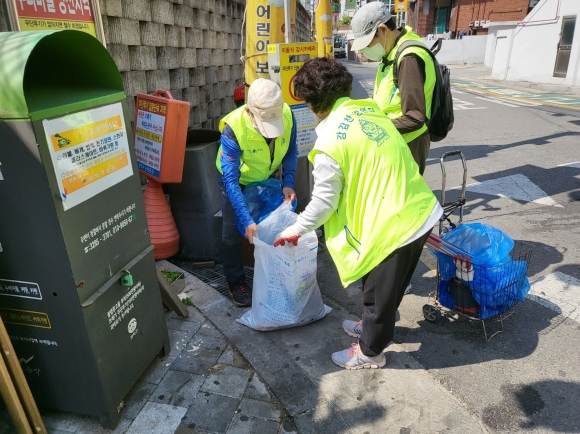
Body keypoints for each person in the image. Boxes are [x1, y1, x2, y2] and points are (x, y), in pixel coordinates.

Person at [275, 58, 443, 370]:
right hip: (418, 209)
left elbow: (324, 201)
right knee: (387, 289)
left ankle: (370, 352)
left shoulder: (329, 141)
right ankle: (372, 327)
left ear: (313, 105)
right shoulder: (369, 111)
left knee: (376, 294)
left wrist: (294, 229)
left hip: (393, 225)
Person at [216, 78, 298, 306]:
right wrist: (245, 217)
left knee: (272, 224)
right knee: (233, 230)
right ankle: (236, 283)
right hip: (236, 181)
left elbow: (291, 152)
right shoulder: (233, 128)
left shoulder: (288, 116)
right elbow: (230, 179)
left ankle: (273, 275)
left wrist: (288, 182)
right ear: (250, 112)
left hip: (267, 177)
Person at [350, 2, 436, 176]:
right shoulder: (392, 52)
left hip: (409, 142)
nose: (366, 50)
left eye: (368, 43)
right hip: (397, 138)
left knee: (403, 198)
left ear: (382, 30)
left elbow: (414, 117)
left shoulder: (408, 58)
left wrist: (374, 129)